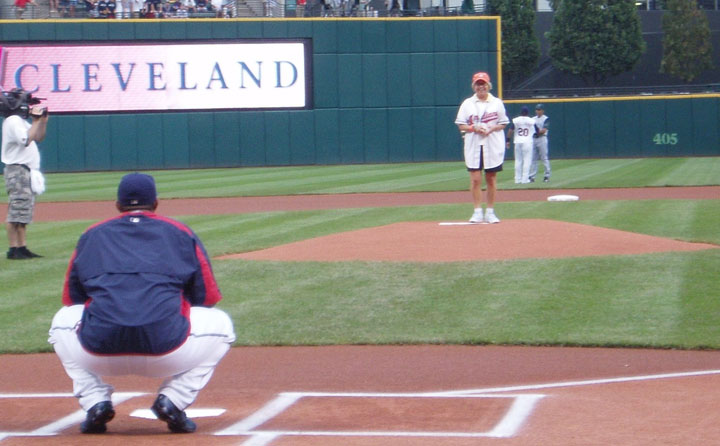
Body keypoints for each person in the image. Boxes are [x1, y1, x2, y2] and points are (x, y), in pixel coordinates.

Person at [48, 172, 236, 434]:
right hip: (169, 351)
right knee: (224, 326)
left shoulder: (91, 235)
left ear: (117, 206)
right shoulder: (180, 233)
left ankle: (95, 402)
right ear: (156, 204)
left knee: (60, 322)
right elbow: (206, 299)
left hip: (99, 351)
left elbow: (73, 299)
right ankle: (174, 400)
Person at [454, 71, 509, 224]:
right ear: (474, 86)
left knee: (491, 178)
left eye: (483, 83)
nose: (481, 87)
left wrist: (491, 129)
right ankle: (477, 211)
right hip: (474, 144)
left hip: (492, 144)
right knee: (475, 179)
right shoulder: (467, 103)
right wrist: (474, 128)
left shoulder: (496, 102)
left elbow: (503, 123)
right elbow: (461, 125)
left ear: (488, 85)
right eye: (478, 84)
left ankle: (490, 211)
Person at [1, 91, 49, 260]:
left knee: (23, 210)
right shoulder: (13, 121)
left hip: (25, 170)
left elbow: (38, 137)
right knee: (17, 209)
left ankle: (22, 247)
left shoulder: (18, 121)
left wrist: (42, 121)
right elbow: (26, 140)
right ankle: (13, 249)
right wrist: (35, 121)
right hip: (18, 169)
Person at [506, 106, 535, 184]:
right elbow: (537, 131)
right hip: (527, 142)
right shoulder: (531, 120)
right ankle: (525, 179)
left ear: (521, 113)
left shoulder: (516, 120)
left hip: (518, 142)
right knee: (527, 161)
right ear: (528, 113)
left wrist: (508, 140)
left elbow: (510, 130)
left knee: (518, 161)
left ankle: (517, 179)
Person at [529, 103, 551, 183]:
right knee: (533, 159)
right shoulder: (532, 119)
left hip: (542, 139)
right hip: (534, 139)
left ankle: (546, 176)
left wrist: (536, 132)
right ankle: (532, 176)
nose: (538, 111)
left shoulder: (546, 118)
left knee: (544, 158)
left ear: (542, 110)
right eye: (537, 109)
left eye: (539, 110)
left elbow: (544, 130)